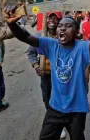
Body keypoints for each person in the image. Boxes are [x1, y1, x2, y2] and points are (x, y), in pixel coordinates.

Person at [4, 0, 90, 140]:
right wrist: (11, 23)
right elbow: (26, 37)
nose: (62, 28)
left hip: (77, 110)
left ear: (76, 33)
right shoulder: (51, 45)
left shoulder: (82, 48)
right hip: (55, 108)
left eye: (68, 26)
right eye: (60, 26)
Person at [27, 11, 67, 139]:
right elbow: (31, 53)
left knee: (62, 100)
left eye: (56, 19)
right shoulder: (39, 37)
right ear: (46, 20)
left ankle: (62, 124)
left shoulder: (64, 37)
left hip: (61, 77)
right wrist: (36, 66)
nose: (52, 21)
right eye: (50, 18)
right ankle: (55, 123)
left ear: (60, 22)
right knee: (47, 99)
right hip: (46, 76)